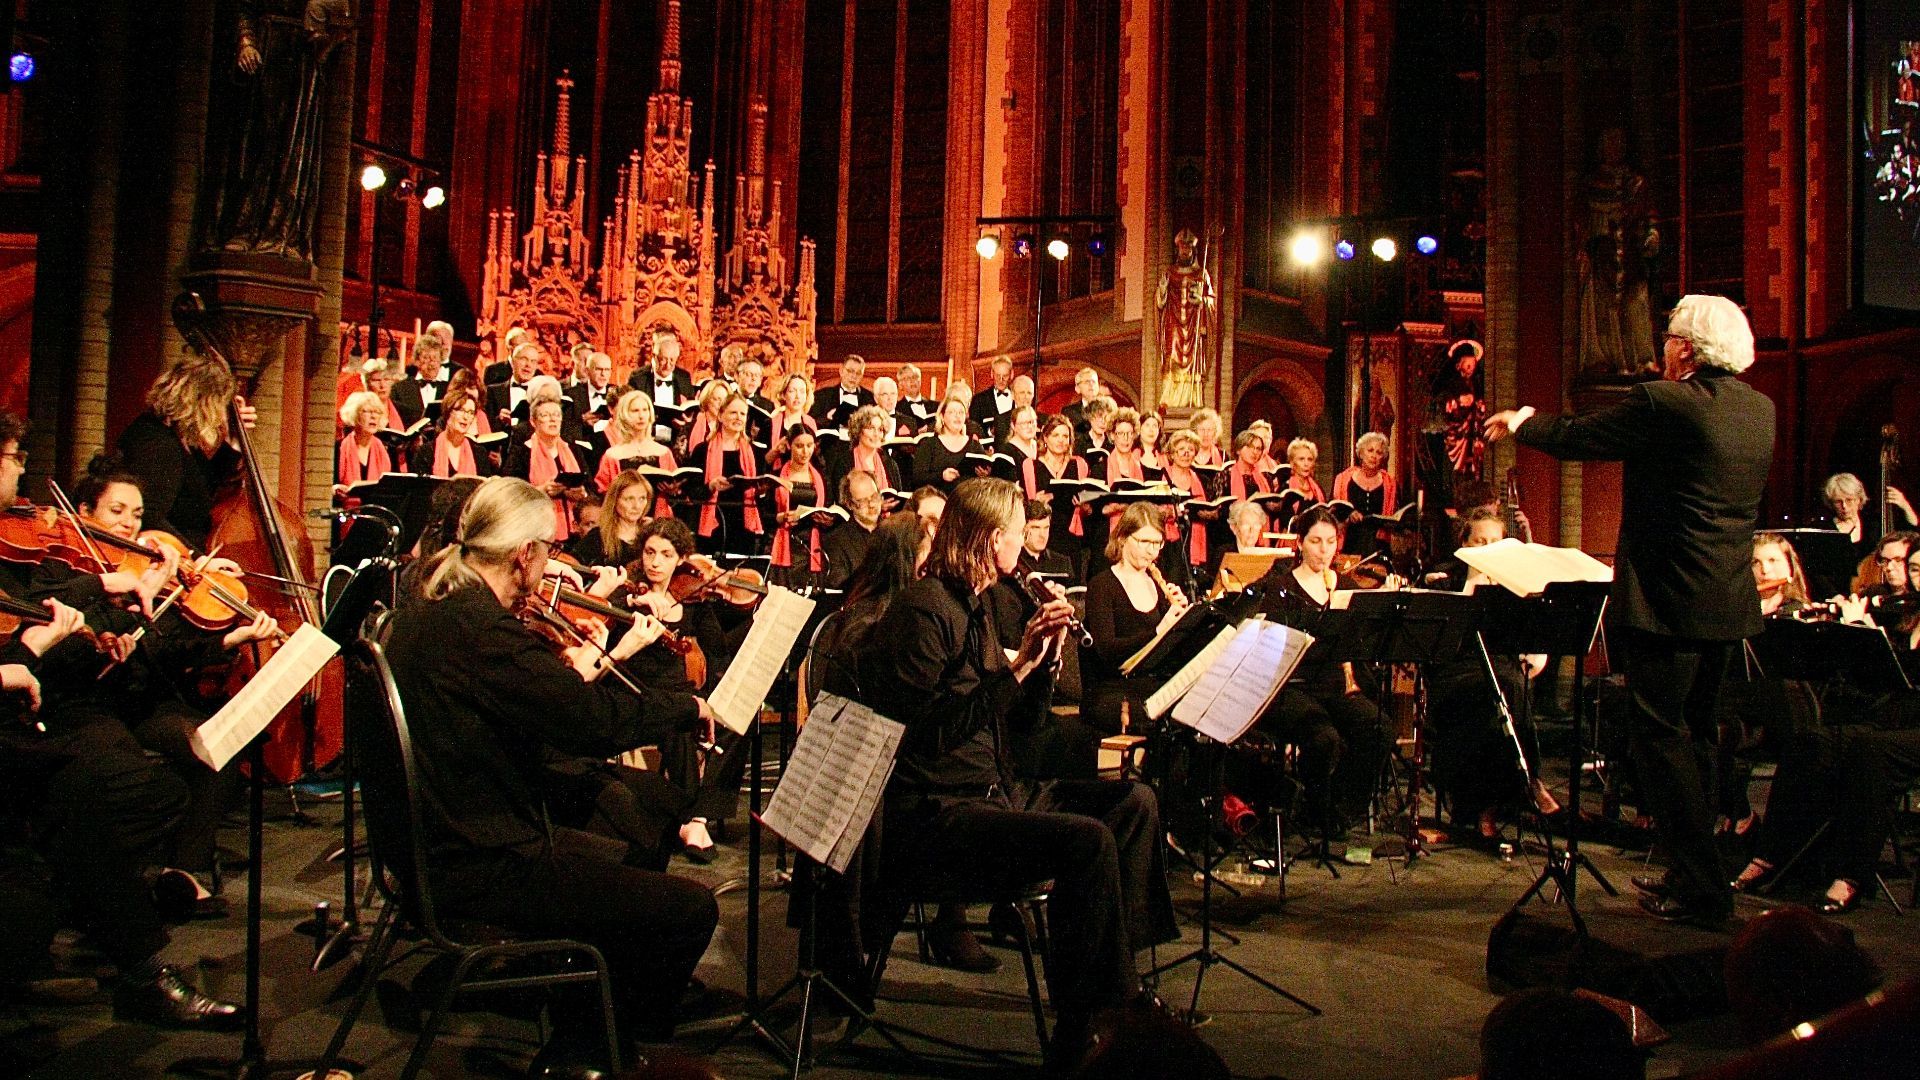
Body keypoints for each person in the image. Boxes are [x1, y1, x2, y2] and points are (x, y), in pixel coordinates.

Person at [382, 477, 719, 1068]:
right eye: (548, 549)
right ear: (525, 554)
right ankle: (600, 1046)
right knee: (689, 909)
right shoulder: (481, 632)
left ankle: (589, 1009)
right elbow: (585, 717)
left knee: (630, 832)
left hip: (438, 836)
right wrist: (684, 706)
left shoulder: (433, 611)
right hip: (478, 857)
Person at [852, 478, 1178, 1069]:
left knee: (1134, 802)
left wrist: (1045, 660)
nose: (1026, 552)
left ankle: (1119, 992)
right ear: (992, 538)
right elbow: (923, 733)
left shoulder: (977, 604)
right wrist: (1018, 666)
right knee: (1085, 841)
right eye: (1016, 536)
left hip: (998, 790)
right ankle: (1084, 1026)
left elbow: (1020, 726)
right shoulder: (925, 609)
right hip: (937, 815)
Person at [1486, 292, 1775, 929]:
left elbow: (1585, 437)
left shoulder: (1665, 402)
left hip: (1667, 604)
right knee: (1695, 738)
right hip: (1726, 603)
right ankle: (1693, 871)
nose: (1662, 347)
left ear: (1688, 349)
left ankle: (1703, 889)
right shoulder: (1760, 410)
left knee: (1660, 740)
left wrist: (1523, 422)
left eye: (1670, 337)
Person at [1248, 507, 1391, 844]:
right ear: (1300, 543)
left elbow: (1363, 640)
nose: (1324, 550)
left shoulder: (1345, 586)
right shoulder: (1282, 587)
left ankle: (1336, 808)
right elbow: (1270, 645)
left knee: (1379, 729)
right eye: (1315, 541)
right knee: (1323, 738)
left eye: (1330, 542)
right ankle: (1316, 807)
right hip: (1293, 685)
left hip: (1334, 685)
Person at [115, 356, 258, 550]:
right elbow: (152, 516)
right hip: (174, 561)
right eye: (220, 405)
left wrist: (234, 437)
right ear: (203, 402)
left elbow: (208, 486)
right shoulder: (157, 442)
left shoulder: (178, 437)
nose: (221, 416)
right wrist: (196, 561)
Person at [1082, 503, 1190, 748]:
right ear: (1122, 538)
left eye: (1157, 543)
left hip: (1149, 685)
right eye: (1144, 542)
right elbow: (1107, 651)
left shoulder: (1158, 585)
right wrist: (1159, 631)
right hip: (1111, 690)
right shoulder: (1102, 585)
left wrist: (1182, 623)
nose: (1152, 551)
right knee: (1169, 720)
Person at [689, 393, 765, 555]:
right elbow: (692, 493)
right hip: (712, 525)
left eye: (742, 414)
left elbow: (761, 496)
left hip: (744, 526)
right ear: (721, 416)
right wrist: (711, 486)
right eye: (733, 413)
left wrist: (763, 490)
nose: (738, 417)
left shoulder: (755, 452)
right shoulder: (702, 450)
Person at [1022, 415, 1092, 582]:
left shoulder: (1079, 464)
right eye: (1056, 435)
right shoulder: (1031, 465)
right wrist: (1037, 501)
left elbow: (1088, 508)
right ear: (1045, 438)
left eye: (1065, 436)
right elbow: (1029, 506)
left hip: (1071, 535)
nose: (1061, 440)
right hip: (1044, 533)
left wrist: (1084, 507)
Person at [593, 391, 678, 517]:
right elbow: (603, 492)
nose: (641, 416)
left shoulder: (664, 452)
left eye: (645, 410)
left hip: (658, 522)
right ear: (624, 414)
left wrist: (672, 489)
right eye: (635, 411)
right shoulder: (612, 456)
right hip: (622, 521)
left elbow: (676, 489)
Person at [769, 428, 830, 588]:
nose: (805, 451)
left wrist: (826, 519)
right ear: (789, 445)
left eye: (809, 445)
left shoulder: (821, 477)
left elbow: (828, 507)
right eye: (799, 446)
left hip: (812, 544)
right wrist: (780, 517)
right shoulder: (776, 475)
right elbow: (764, 514)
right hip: (785, 543)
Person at [570, 470, 653, 567]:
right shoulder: (598, 537)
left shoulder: (651, 534)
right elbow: (570, 563)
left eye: (642, 498)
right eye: (629, 499)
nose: (637, 506)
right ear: (615, 500)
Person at [822, 471, 886, 589]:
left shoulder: (894, 533)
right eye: (862, 501)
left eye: (874, 496)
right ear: (849, 504)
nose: (871, 504)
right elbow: (841, 590)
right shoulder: (835, 542)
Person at [412, 388, 492, 479]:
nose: (466, 417)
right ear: (448, 412)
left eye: (471, 413)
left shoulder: (479, 453)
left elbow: (485, 490)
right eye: (461, 410)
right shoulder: (426, 452)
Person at [914, 396, 985, 494]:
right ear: (942, 416)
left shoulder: (975, 446)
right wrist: (941, 476)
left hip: (968, 501)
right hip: (938, 501)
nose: (957, 416)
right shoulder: (929, 444)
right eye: (952, 412)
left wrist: (985, 474)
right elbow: (918, 478)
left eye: (961, 412)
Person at [333, 390, 391, 494]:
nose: (373, 416)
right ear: (355, 414)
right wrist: (335, 489)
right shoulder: (338, 448)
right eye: (367, 411)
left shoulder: (387, 450)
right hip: (345, 507)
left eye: (377, 412)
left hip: (377, 508)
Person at [485, 342, 544, 428]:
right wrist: (499, 420)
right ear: (512, 362)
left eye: (533, 361)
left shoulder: (542, 394)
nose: (528, 365)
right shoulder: (492, 391)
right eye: (524, 359)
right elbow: (485, 426)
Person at [629, 330, 696, 405]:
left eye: (672, 360)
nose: (668, 365)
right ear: (654, 356)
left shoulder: (684, 378)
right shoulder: (638, 379)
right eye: (663, 359)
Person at [811, 354, 872, 429]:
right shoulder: (822, 395)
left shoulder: (869, 398)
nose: (854, 376)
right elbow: (811, 422)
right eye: (850, 371)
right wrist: (828, 417)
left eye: (858, 373)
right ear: (841, 371)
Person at [969, 355, 1017, 443]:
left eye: (1005, 375)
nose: (1001, 380)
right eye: (998, 375)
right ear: (992, 374)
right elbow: (973, 430)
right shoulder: (979, 400)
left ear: (1011, 374)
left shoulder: (1017, 397)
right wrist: (990, 432)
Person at [566, 350, 618, 426]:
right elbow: (565, 427)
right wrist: (582, 420)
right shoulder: (571, 395)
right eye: (598, 369)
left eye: (607, 370)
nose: (603, 374)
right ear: (587, 371)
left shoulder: (619, 393)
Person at [1059, 367, 1103, 438]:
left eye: (1093, 381)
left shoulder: (1108, 410)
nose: (1091, 385)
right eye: (1087, 382)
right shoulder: (1068, 412)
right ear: (1077, 389)